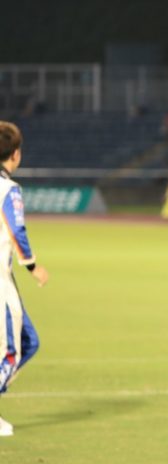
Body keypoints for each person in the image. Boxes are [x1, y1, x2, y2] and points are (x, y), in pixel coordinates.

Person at [0, 121, 50, 437]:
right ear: (16, 154)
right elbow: (16, 229)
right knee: (12, 352)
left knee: (28, 340)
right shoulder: (9, 189)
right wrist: (32, 267)